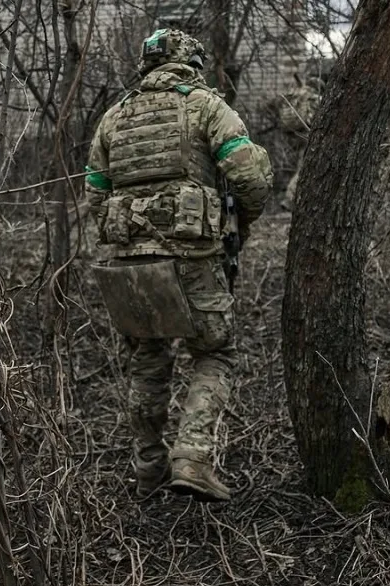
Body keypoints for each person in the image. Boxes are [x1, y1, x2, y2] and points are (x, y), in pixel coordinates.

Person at [85, 28, 272, 502]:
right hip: (193, 260)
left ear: (145, 65)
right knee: (215, 352)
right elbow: (250, 178)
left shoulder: (114, 117)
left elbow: (95, 194)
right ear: (193, 64)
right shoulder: (208, 107)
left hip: (132, 266)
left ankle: (148, 469)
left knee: (147, 361)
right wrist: (239, 224)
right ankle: (192, 457)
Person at [277, 73, 323, 210]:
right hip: (308, 134)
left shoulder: (298, 94)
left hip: (296, 134)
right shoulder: (315, 98)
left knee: (302, 165)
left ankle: (298, 199)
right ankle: (290, 199)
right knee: (304, 168)